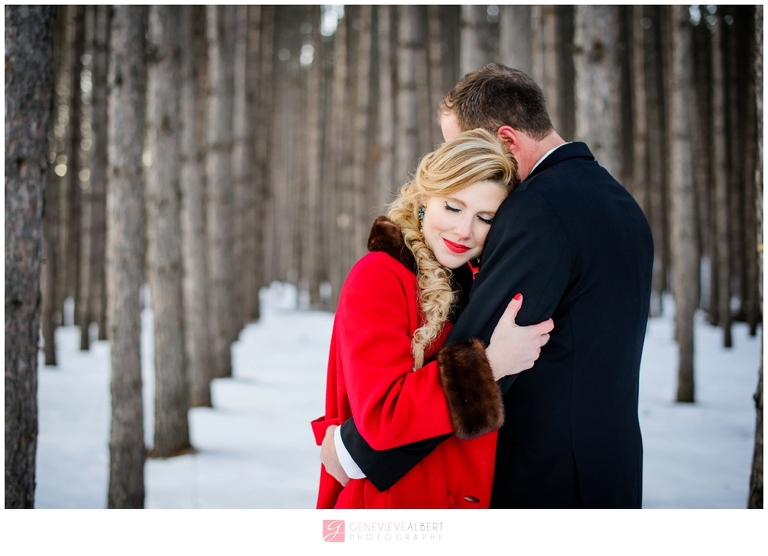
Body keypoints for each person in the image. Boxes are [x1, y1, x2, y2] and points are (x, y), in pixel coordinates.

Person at [322, 64, 654, 509]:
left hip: (547, 482)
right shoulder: (618, 202)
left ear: (504, 143)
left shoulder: (538, 209)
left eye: (460, 147)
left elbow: (478, 343)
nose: (456, 162)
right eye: (452, 202)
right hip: (608, 471)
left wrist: (355, 451)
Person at [311, 128, 554, 509]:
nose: (463, 231)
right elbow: (381, 418)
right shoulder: (380, 275)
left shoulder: (476, 283)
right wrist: (490, 365)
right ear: (425, 198)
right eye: (453, 207)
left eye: (485, 218)